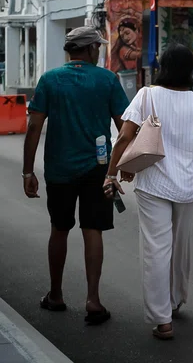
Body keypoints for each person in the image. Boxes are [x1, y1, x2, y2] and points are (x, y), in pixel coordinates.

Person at [104, 44, 193, 340]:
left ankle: (162, 319)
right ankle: (175, 300)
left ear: (163, 67)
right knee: (181, 245)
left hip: (154, 183)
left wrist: (111, 173)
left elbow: (124, 135)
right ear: (189, 70)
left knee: (156, 249)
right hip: (191, 185)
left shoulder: (147, 95)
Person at [21, 26, 129, 326]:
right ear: (92, 48)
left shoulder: (50, 80)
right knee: (92, 230)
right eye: (99, 47)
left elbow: (33, 128)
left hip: (58, 168)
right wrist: (121, 167)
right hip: (98, 168)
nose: (100, 51)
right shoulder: (107, 79)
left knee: (59, 228)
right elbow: (125, 129)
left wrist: (28, 171)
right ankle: (93, 300)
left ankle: (55, 295)